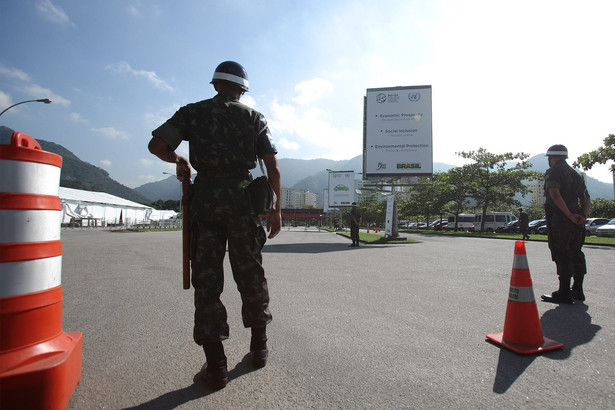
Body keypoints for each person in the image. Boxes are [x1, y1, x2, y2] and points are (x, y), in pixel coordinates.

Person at [148, 61, 281, 390]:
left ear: (215, 85)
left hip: (204, 202)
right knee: (250, 274)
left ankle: (216, 366)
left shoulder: (191, 112)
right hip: (242, 203)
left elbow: (157, 146)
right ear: (242, 89)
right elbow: (272, 166)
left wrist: (179, 160)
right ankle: (259, 349)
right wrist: (276, 209)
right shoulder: (254, 118)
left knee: (207, 282)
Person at [540, 144, 590, 304]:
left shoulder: (553, 172)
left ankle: (563, 292)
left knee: (562, 253)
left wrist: (568, 215)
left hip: (561, 219)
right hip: (577, 220)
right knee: (576, 251)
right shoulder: (575, 174)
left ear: (553, 157)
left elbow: (554, 193)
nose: (549, 160)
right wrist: (582, 215)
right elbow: (586, 198)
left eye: (549, 157)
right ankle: (578, 290)